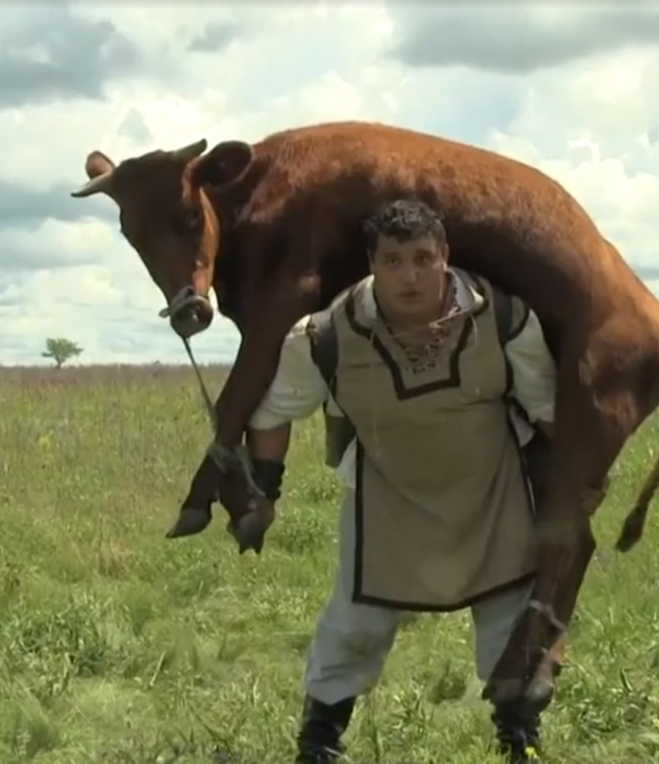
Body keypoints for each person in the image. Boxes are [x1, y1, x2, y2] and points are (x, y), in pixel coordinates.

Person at [242, 198, 558, 763]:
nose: (409, 275)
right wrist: (265, 493)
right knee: (355, 624)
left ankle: (519, 741)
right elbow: (272, 414)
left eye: (422, 258)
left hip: (492, 496)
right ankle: (319, 744)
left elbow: (548, 410)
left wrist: (574, 492)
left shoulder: (505, 319)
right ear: (371, 263)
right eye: (392, 261)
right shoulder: (324, 336)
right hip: (387, 498)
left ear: (445, 258)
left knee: (511, 625)